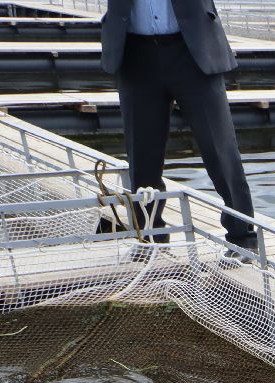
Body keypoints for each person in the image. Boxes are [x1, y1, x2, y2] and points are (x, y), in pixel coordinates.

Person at [101, 0, 258, 252]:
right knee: (142, 155)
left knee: (220, 150)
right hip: (134, 52)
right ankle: (150, 238)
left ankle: (243, 240)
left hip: (192, 49)